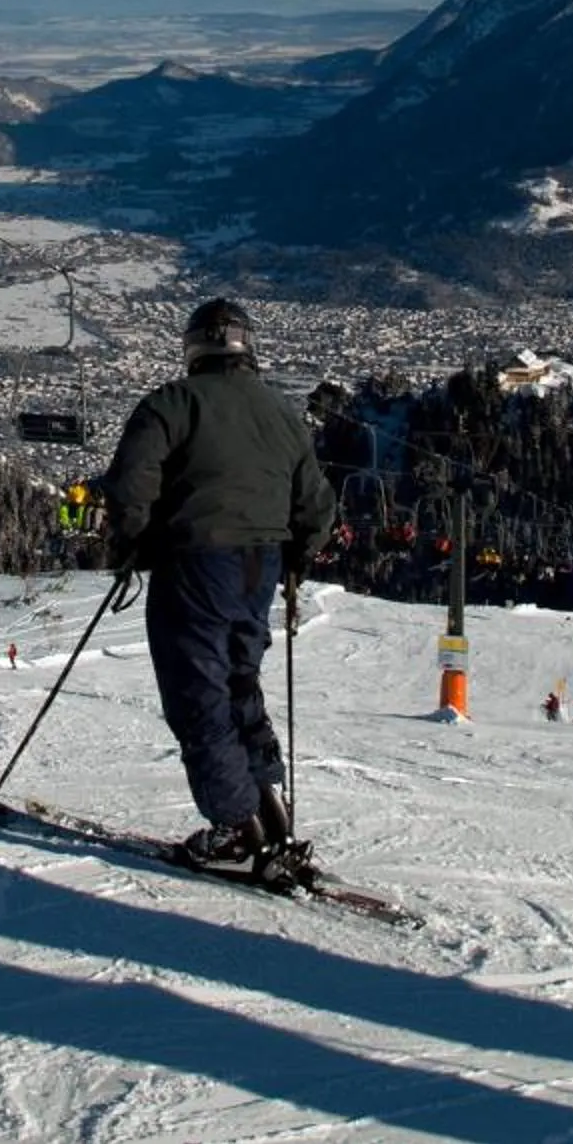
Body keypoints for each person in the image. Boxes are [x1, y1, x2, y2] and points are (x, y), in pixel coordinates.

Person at [99, 298, 336, 881]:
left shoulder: (172, 403)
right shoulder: (283, 412)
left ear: (193, 348)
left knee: (197, 691)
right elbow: (317, 506)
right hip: (261, 566)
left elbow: (131, 481)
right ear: (247, 347)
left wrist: (134, 543)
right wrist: (296, 558)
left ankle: (235, 827)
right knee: (238, 682)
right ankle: (268, 805)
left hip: (195, 561)